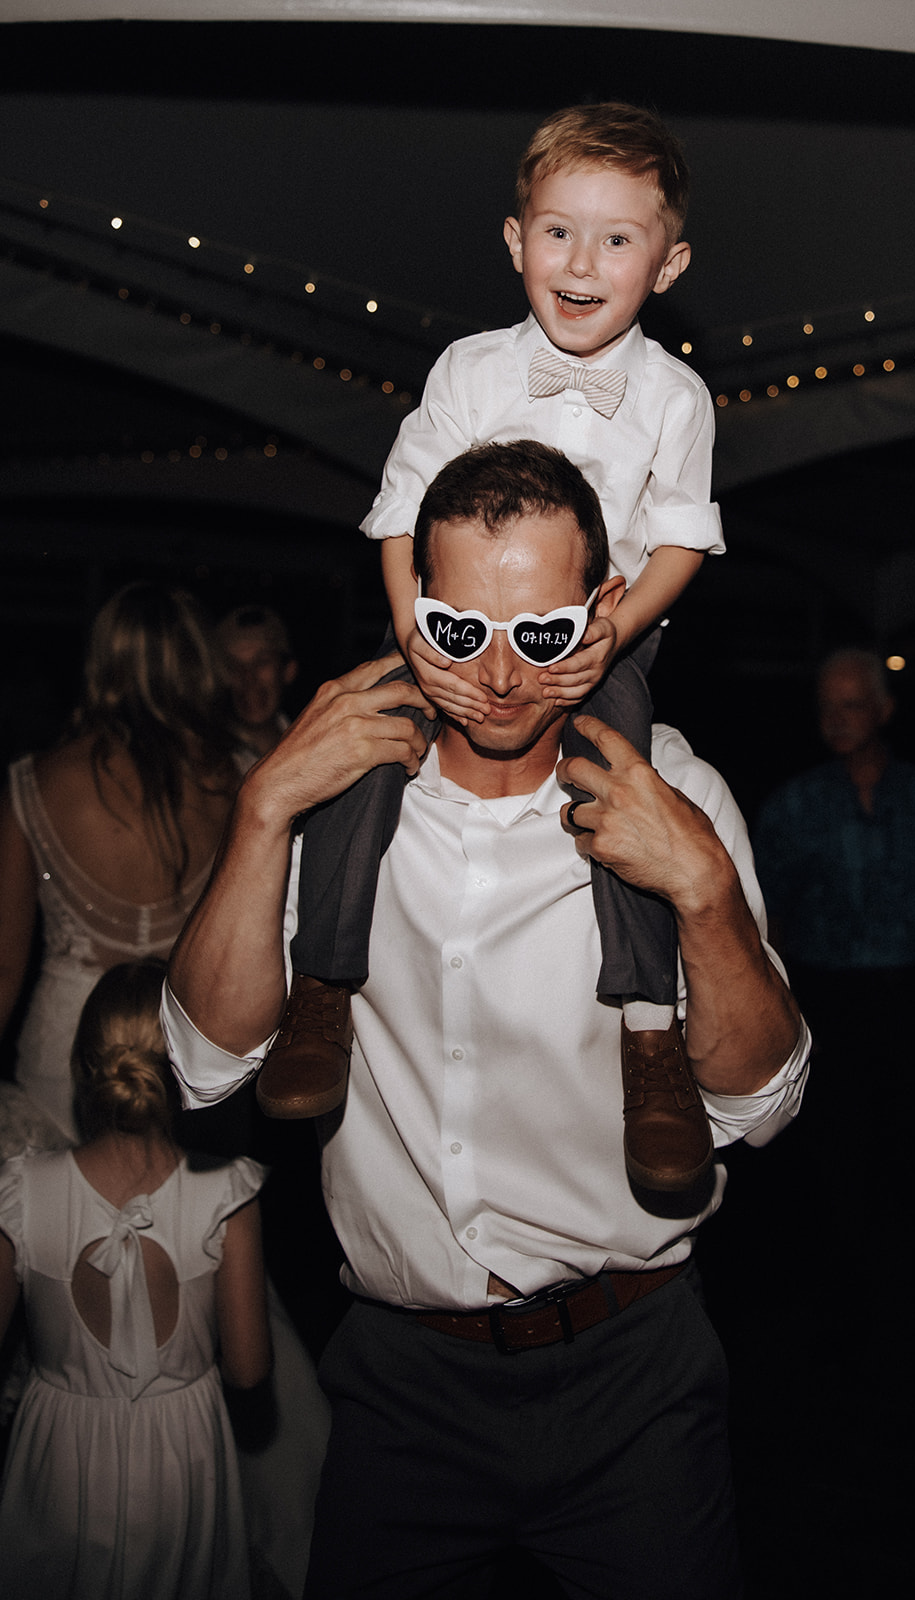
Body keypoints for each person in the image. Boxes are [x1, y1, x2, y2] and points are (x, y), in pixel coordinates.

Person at [164, 441, 809, 1599]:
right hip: (401, 1386)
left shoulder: (675, 790)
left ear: (601, 609)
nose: (503, 677)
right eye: (463, 631)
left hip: (633, 1373)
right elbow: (208, 1064)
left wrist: (704, 891)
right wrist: (263, 808)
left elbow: (757, 1105)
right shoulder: (335, 797)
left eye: (542, 633)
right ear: (414, 610)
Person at [265, 104, 725, 1198]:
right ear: (515, 241)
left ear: (667, 265)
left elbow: (681, 538)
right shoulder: (469, 368)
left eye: (618, 239)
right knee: (358, 742)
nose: (582, 261)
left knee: (624, 784)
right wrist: (419, 635)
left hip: (587, 637)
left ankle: (650, 1036)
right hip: (451, 618)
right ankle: (322, 983)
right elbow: (393, 515)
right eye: (558, 231)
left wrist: (610, 628)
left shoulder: (675, 397)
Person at [0, 959, 271, 1600]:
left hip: (56, 1460)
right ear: (182, 1072)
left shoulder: (22, 1192)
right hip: (184, 1462)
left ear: (82, 1064)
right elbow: (251, 1370)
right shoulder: (226, 1194)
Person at [753, 648, 915, 1338]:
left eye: (851, 704)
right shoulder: (792, 805)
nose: (835, 720)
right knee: (837, 1158)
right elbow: (763, 922)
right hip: (828, 1001)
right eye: (824, 707)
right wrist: (784, 1014)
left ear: (884, 711)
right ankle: (845, 1311)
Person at [0, 581, 241, 1148]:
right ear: (199, 664)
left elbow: (5, 969)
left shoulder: (35, 781)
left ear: (102, 662)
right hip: (191, 1058)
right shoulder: (242, 782)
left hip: (64, 1062)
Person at [216, 603, 299, 760]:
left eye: (261, 662)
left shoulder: (313, 748)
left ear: (288, 670)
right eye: (234, 666)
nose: (248, 677)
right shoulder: (204, 765)